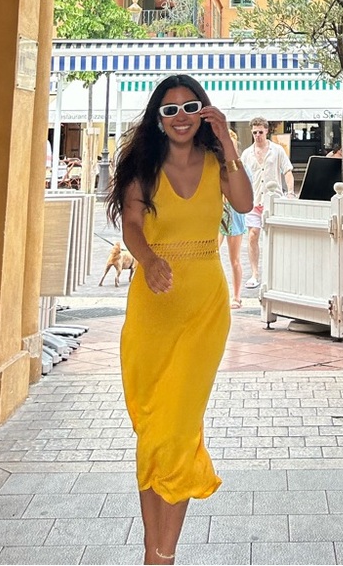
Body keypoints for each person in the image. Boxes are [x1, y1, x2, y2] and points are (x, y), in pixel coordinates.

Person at [106, 74, 252, 565]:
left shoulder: (217, 163)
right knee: (154, 430)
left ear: (204, 112)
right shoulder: (142, 168)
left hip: (203, 311)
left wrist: (228, 141)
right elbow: (132, 225)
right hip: (152, 309)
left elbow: (244, 202)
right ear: (158, 119)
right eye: (169, 110)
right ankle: (154, 550)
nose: (181, 117)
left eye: (191, 107)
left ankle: (162, 555)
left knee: (177, 430)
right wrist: (148, 260)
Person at [240, 116, 294, 289]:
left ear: (266, 131)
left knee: (276, 238)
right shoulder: (247, 153)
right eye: (254, 132)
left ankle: (278, 273)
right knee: (253, 235)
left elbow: (287, 171)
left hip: (273, 200)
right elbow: (241, 176)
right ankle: (255, 274)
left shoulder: (277, 150)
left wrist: (290, 192)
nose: (257, 135)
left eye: (260, 132)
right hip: (254, 199)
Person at [220, 131, 249, 309]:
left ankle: (237, 296)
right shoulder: (215, 165)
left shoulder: (240, 166)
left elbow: (246, 193)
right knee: (212, 254)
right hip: (219, 213)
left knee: (234, 258)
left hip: (234, 214)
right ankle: (217, 293)